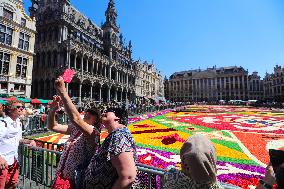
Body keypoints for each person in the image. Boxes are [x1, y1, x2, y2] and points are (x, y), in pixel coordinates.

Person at [48, 95, 101, 189]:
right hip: (62, 174)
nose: (88, 113)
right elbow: (53, 127)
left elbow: (76, 119)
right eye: (87, 111)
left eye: (92, 113)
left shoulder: (93, 132)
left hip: (76, 179)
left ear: (96, 120)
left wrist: (63, 93)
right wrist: (52, 110)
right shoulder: (75, 129)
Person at [0, 99, 36, 189]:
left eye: (22, 107)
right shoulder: (3, 124)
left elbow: (19, 139)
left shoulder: (18, 123)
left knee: (13, 183)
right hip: (2, 161)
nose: (21, 109)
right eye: (18, 107)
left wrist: (30, 141)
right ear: (10, 109)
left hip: (14, 159)